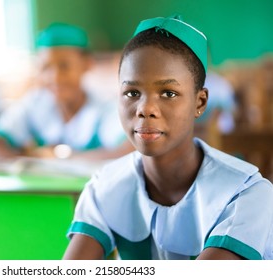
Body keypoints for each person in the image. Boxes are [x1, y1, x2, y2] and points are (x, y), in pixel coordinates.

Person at [63, 15, 273, 260]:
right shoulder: (104, 186)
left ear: (200, 102)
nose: (145, 108)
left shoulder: (245, 193)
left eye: (168, 93)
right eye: (132, 92)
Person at [0, 23, 133, 161]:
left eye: (64, 66)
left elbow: (130, 151)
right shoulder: (33, 105)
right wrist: (30, 161)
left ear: (87, 64)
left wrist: (59, 159)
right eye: (46, 67)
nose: (55, 77)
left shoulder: (105, 108)